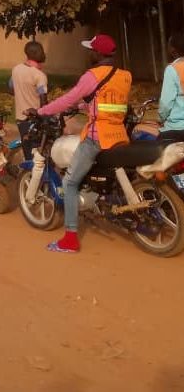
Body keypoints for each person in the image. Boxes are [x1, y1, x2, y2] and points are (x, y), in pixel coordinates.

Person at [35, 34, 132, 254]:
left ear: (98, 54)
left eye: (91, 50)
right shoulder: (124, 75)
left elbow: (68, 98)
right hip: (119, 134)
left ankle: (70, 239)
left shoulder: (92, 75)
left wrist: (41, 111)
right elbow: (107, 102)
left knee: (69, 183)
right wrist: (82, 106)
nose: (88, 53)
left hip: (97, 137)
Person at [9, 41, 48, 159]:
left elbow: (11, 87)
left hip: (21, 119)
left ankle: (27, 175)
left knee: (28, 152)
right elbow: (43, 101)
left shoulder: (16, 70)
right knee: (39, 154)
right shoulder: (39, 75)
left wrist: (23, 94)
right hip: (35, 120)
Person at [159, 33, 184, 135]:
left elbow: (166, 104)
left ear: (173, 50)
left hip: (177, 128)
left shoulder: (172, 69)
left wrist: (162, 118)